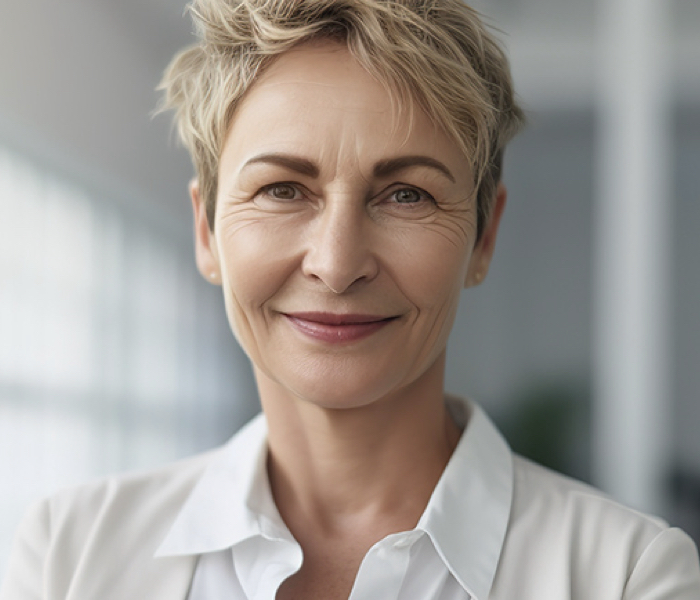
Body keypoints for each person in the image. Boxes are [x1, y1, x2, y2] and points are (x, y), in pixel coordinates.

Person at [2, 0, 699, 598]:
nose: (336, 265)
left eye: (406, 194)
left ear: (484, 237)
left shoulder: (627, 576)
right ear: (206, 230)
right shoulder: (69, 557)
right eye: (282, 190)